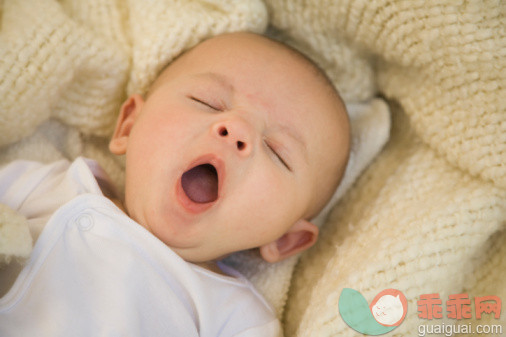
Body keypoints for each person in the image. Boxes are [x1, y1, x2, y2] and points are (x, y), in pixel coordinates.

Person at [0, 32, 350, 336]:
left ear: (285, 238)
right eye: (207, 102)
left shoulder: (236, 318)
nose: (235, 130)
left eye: (278, 152)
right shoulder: (43, 185)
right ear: (128, 126)